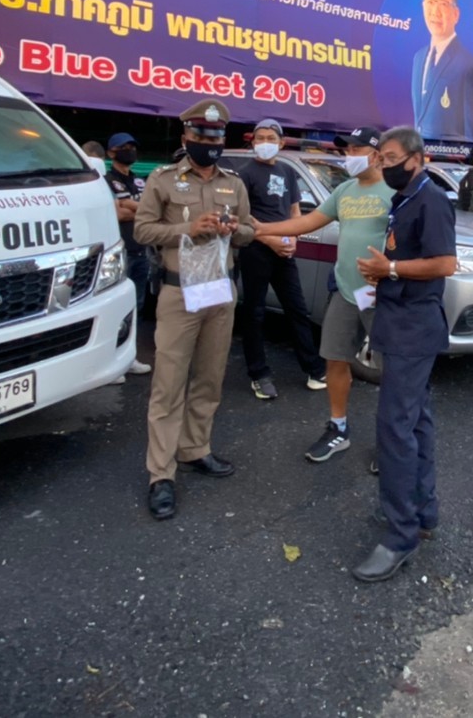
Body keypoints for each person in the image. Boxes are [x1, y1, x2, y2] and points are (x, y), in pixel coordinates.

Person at [133, 100, 255, 521]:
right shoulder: (164, 179)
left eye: (218, 138)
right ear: (187, 138)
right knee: (168, 385)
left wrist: (231, 229)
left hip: (219, 294)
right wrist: (189, 227)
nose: (211, 144)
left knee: (209, 378)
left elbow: (249, 230)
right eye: (203, 137)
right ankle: (160, 474)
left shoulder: (233, 183)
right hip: (178, 293)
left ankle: (195, 448)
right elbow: (143, 229)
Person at [351, 126, 458, 583]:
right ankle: (422, 511)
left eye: (392, 156)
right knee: (417, 420)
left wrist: (390, 268)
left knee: (394, 427)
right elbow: (411, 259)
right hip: (401, 321)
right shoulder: (405, 199)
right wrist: (386, 276)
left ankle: (400, 536)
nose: (384, 163)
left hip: (414, 328)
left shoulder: (430, 199)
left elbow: (444, 263)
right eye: (381, 156)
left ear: (418, 159)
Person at [253, 128, 390, 464]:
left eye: (357, 148)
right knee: (335, 358)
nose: (349, 155)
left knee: (394, 369)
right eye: (347, 149)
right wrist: (262, 228)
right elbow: (309, 222)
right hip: (346, 290)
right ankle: (338, 428)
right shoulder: (344, 190)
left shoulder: (395, 191)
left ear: (376, 154)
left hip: (382, 293)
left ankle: (391, 442)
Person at [237, 119, 327, 399]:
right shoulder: (245, 174)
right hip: (256, 249)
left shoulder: (287, 172)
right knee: (254, 313)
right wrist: (272, 240)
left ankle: (313, 369)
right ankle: (259, 374)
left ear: (281, 142)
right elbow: (244, 218)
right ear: (253, 142)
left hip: (285, 250)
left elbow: (294, 210)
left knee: (297, 309)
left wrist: (293, 240)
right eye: (260, 137)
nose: (264, 142)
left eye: (270, 137)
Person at [410, 0, 473, 143]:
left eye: (443, 4)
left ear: (456, 14)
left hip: (450, 159)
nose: (435, 11)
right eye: (430, 2)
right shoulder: (418, 58)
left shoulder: (469, 66)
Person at [106, 133, 157, 332]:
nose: (130, 151)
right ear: (111, 152)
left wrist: (131, 206)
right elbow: (118, 213)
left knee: (138, 304)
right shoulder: (107, 180)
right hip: (121, 251)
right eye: (124, 147)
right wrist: (144, 210)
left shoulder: (139, 180)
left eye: (132, 147)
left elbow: (151, 207)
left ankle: (132, 353)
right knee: (117, 308)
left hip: (142, 249)